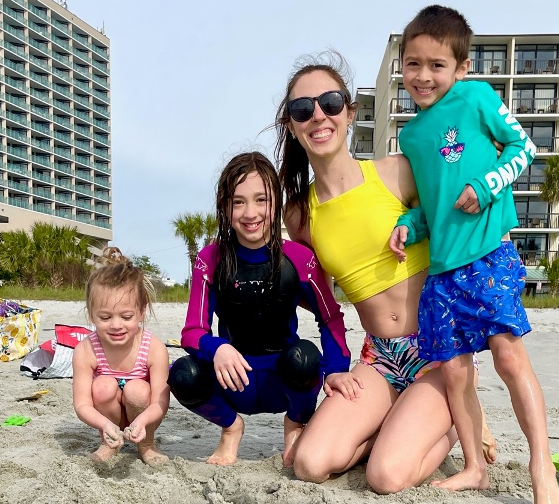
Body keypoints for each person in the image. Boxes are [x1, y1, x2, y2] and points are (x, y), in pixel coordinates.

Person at [276, 54, 494, 493]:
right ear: (292, 126)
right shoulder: (299, 213)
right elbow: (319, 302)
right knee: (310, 464)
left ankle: (456, 420)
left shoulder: (398, 172)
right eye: (302, 109)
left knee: (386, 477)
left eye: (330, 102)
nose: (318, 116)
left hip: (437, 351)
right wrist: (327, 374)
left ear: (349, 112)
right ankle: (395, 423)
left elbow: (461, 230)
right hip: (379, 357)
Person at [388, 4, 559, 504]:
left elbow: (523, 148)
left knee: (508, 357)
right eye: (413, 64)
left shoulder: (477, 97)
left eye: (436, 65)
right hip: (442, 272)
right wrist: (410, 225)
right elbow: (433, 203)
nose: (423, 76)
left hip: (488, 255)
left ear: (461, 67)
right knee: (455, 372)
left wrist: (486, 186)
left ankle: (541, 464)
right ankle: (474, 466)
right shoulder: (412, 136)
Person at [169, 151, 350, 465]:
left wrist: (336, 370)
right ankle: (231, 428)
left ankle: (295, 425)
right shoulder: (210, 259)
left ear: (275, 203)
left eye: (261, 200)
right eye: (238, 202)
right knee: (182, 375)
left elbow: (330, 318)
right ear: (224, 206)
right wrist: (218, 348)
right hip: (232, 379)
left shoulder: (299, 258)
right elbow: (193, 331)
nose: (250, 213)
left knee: (305, 358)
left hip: (284, 381)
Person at [72, 249, 170, 466]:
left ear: (141, 312)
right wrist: (105, 425)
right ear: (91, 314)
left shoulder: (154, 348)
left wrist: (142, 421)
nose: (116, 325)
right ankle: (110, 443)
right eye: (105, 317)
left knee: (137, 389)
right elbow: (82, 404)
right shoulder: (86, 349)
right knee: (103, 386)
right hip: (108, 417)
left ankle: (147, 444)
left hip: (143, 414)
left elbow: (161, 403)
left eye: (126, 317)